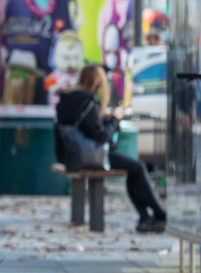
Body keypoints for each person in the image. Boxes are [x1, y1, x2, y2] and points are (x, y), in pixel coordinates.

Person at [55, 64, 167, 233]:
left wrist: (106, 119)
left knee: (133, 168)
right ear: (99, 82)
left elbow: (87, 128)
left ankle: (146, 216)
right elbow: (101, 136)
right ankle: (159, 214)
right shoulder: (89, 102)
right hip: (89, 156)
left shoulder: (68, 98)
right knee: (137, 167)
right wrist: (115, 119)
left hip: (68, 155)